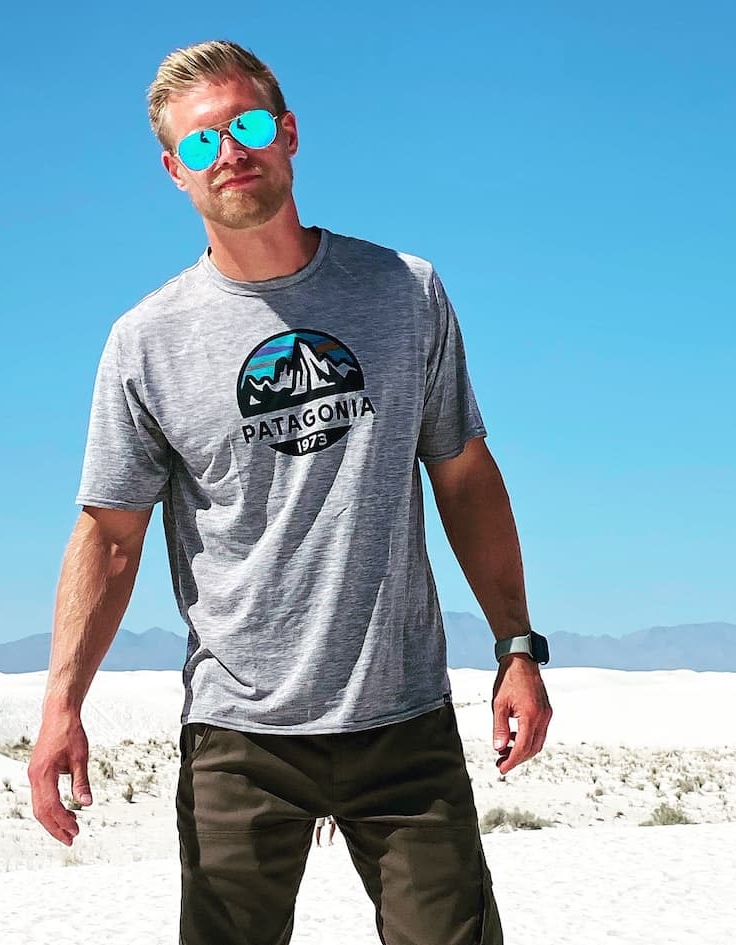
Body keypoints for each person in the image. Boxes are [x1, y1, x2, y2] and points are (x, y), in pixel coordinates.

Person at [28, 40, 552, 945]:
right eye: (201, 144)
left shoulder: (404, 291)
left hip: (404, 722)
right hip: (240, 740)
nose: (230, 152)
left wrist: (516, 644)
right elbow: (110, 536)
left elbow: (464, 476)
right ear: (173, 172)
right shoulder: (146, 342)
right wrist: (61, 706)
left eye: (249, 125)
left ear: (290, 133)